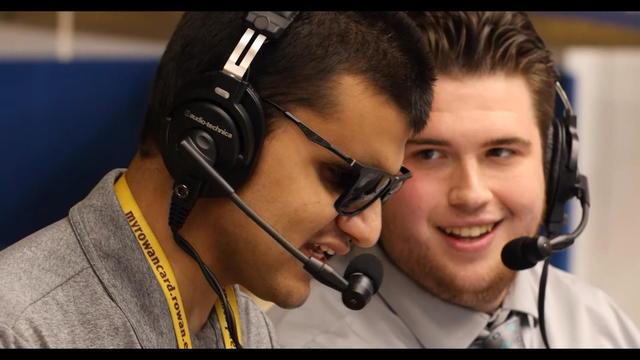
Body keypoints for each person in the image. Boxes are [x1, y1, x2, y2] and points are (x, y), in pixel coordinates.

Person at [0, 12, 434, 348]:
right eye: (343, 176)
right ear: (214, 131)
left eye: (381, 190)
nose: (367, 229)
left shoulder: (249, 330)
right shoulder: (19, 327)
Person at [268, 11, 640, 348]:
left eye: (501, 153)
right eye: (430, 154)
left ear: (555, 164)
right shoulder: (294, 342)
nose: (471, 195)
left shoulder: (600, 328)